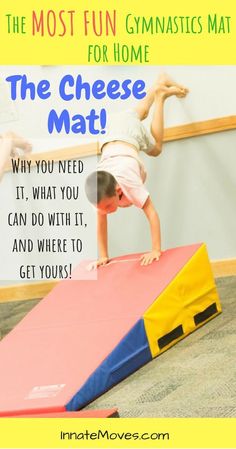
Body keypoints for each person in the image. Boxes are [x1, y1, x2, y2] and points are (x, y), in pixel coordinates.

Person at [85, 74, 188, 268]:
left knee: (156, 148)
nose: (105, 212)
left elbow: (151, 212)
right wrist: (103, 256)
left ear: (118, 190)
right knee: (134, 114)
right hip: (111, 130)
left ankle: (160, 97)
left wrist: (156, 249)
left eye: (107, 207)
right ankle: (160, 81)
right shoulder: (98, 191)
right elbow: (100, 223)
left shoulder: (128, 182)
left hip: (126, 134)